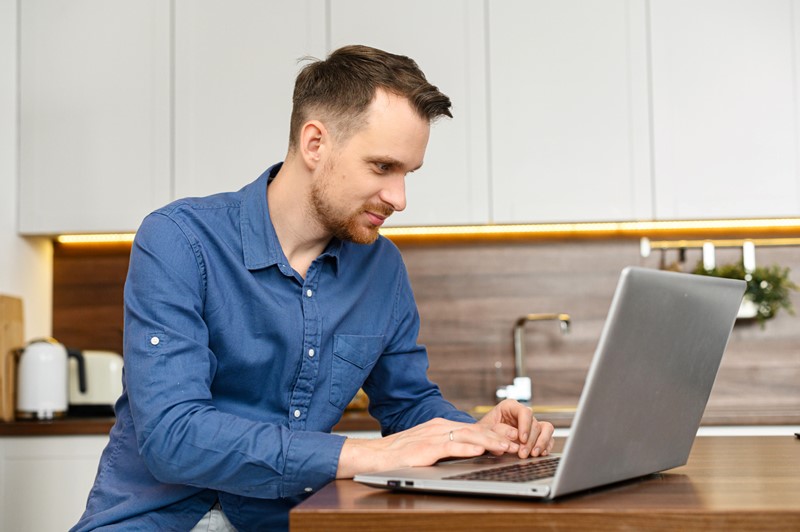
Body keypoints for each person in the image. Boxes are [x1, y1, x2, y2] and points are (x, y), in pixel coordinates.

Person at [72, 45, 555, 531]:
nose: (399, 198)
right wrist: (367, 454)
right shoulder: (179, 239)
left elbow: (408, 404)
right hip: (155, 519)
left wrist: (474, 436)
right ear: (315, 143)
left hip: (282, 521)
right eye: (382, 167)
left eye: (407, 173)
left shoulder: (381, 268)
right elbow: (173, 437)